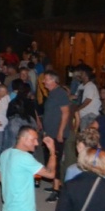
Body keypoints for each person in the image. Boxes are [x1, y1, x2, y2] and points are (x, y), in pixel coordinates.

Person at [40, 70, 72, 203]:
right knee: (50, 158)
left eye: (46, 79)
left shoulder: (60, 93)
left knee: (56, 159)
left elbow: (66, 113)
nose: (44, 82)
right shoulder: (52, 93)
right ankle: (54, 184)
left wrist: (60, 132)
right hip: (50, 132)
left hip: (57, 133)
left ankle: (57, 190)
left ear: (53, 80)